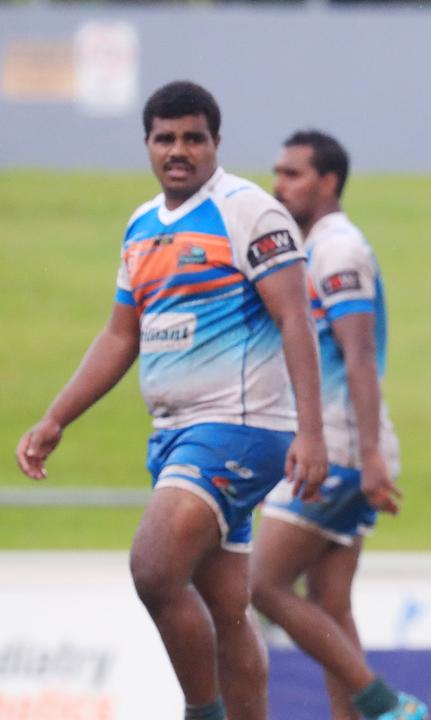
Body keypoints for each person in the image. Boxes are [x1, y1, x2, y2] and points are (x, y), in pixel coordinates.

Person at [14, 80, 329, 720]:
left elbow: (297, 319)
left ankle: (200, 712)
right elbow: (119, 334)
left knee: (155, 569)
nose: (179, 150)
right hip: (175, 436)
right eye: (166, 138)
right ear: (148, 144)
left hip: (238, 429)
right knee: (225, 610)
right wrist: (56, 417)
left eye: (193, 137)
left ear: (216, 142)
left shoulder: (249, 211)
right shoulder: (140, 227)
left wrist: (313, 432)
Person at [253, 130, 427, 720]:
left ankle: (387, 704)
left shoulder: (337, 249)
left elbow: (358, 356)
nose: (278, 186)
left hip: (338, 448)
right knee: (329, 602)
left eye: (293, 174)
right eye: (277, 173)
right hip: (344, 445)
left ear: (328, 182)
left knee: (262, 585)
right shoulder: (311, 247)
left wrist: (370, 453)